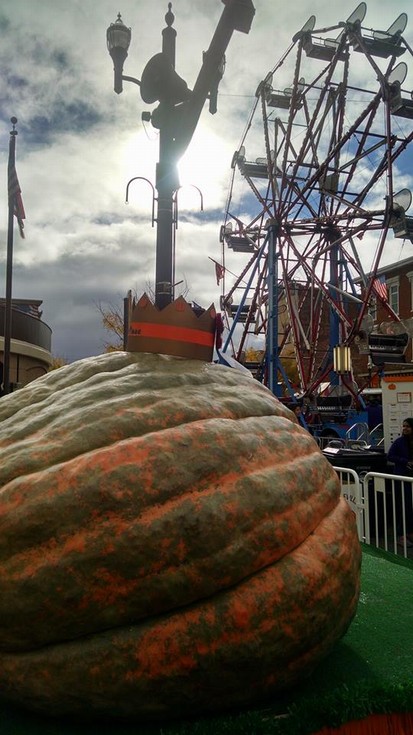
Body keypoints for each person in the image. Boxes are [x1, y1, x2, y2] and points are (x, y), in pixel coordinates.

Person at [387, 418, 413, 547]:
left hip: (410, 478)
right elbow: (390, 456)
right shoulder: (399, 442)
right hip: (402, 478)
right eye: (404, 426)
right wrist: (404, 461)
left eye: (408, 426)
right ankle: (401, 534)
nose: (405, 428)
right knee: (404, 507)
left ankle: (410, 533)